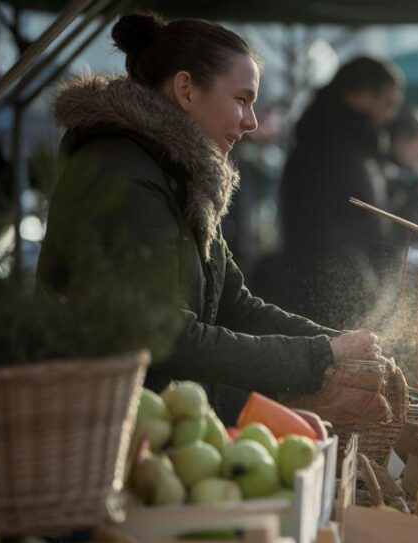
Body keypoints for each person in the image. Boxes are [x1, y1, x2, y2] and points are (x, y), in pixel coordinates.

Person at [37, 13, 394, 415]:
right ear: (186, 89)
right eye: (241, 100)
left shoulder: (179, 175)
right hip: (97, 426)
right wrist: (319, 357)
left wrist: (340, 348)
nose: (251, 122)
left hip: (155, 420)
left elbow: (234, 306)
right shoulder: (120, 173)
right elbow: (166, 334)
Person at [274, 56, 405, 330]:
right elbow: (327, 233)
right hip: (329, 297)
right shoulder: (327, 150)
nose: (391, 116)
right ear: (360, 96)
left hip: (347, 287)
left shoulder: (350, 147)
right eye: (388, 103)